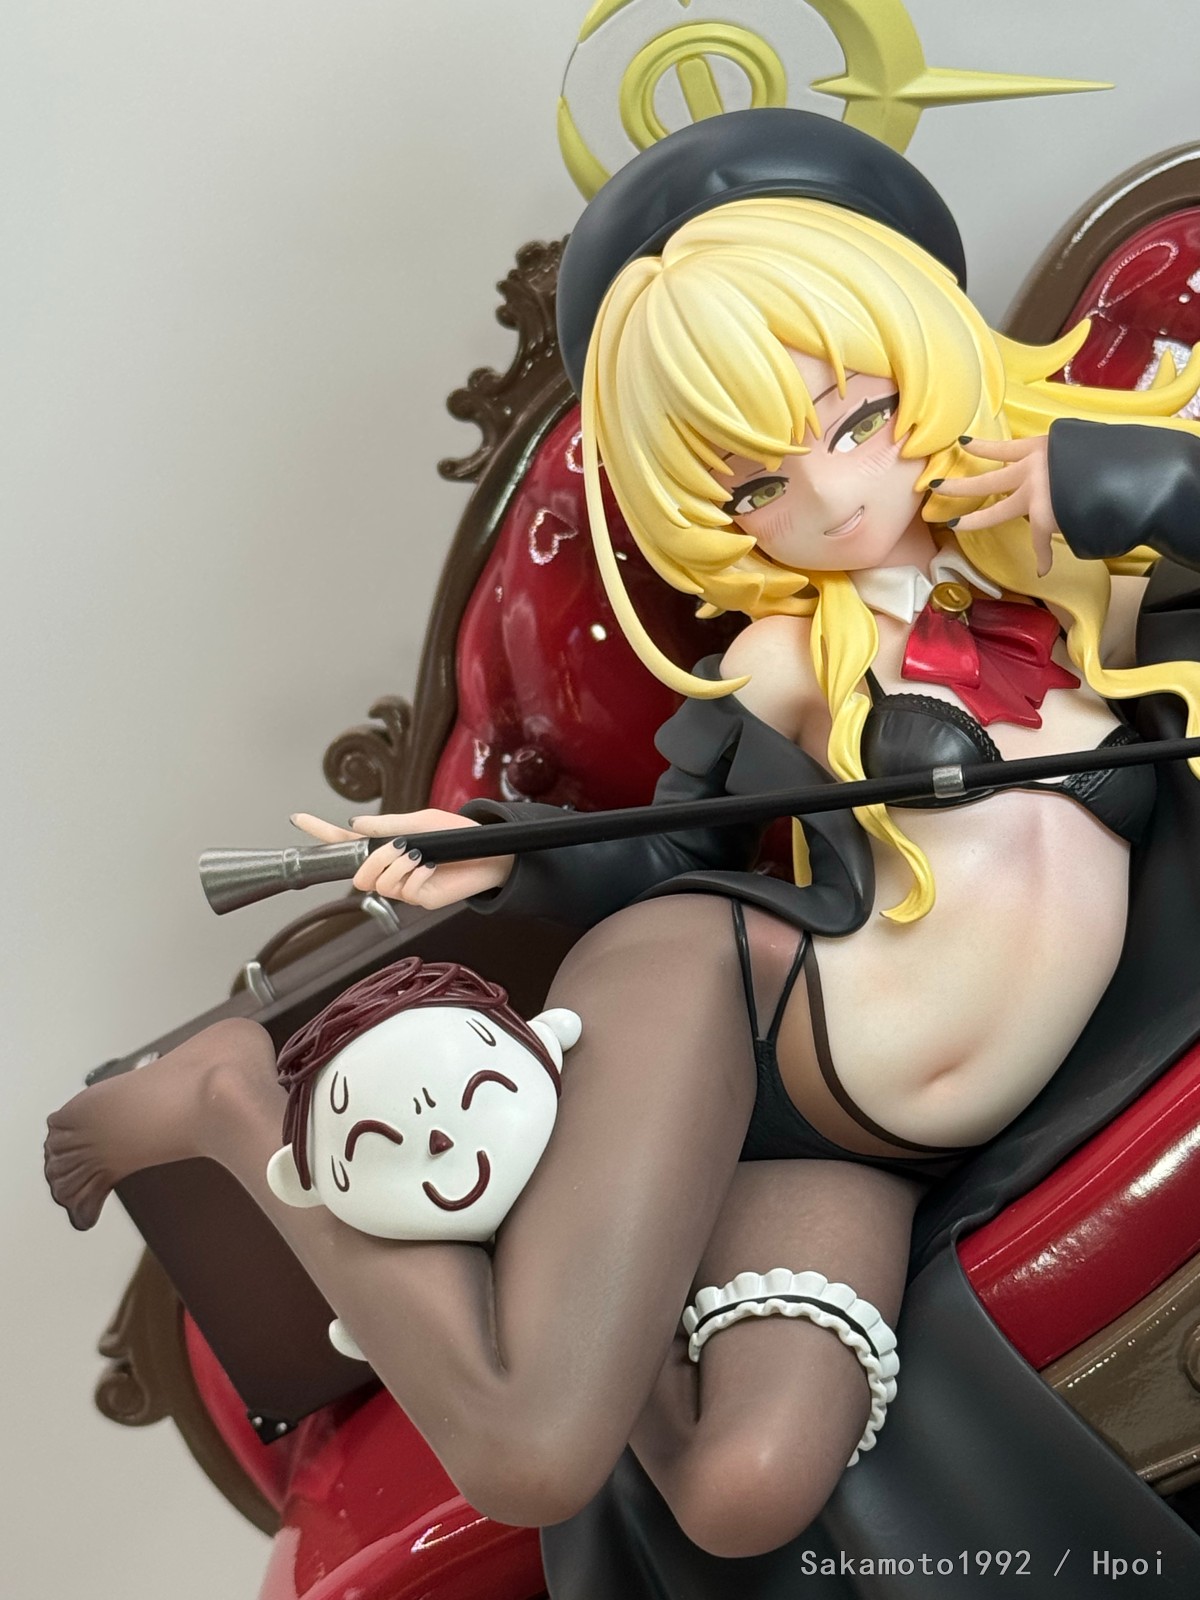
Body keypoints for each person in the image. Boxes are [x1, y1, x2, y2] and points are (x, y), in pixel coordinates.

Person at [44, 110, 1200, 1564]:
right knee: (532, 1457)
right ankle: (234, 1108)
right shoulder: (783, 658)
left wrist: (1125, 482)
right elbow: (675, 854)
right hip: (753, 1013)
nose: (832, 496)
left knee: (739, 1495)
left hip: (873, 1162)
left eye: (855, 419)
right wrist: (508, 852)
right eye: (756, 488)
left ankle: (580, 1269)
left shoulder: (1092, 574)